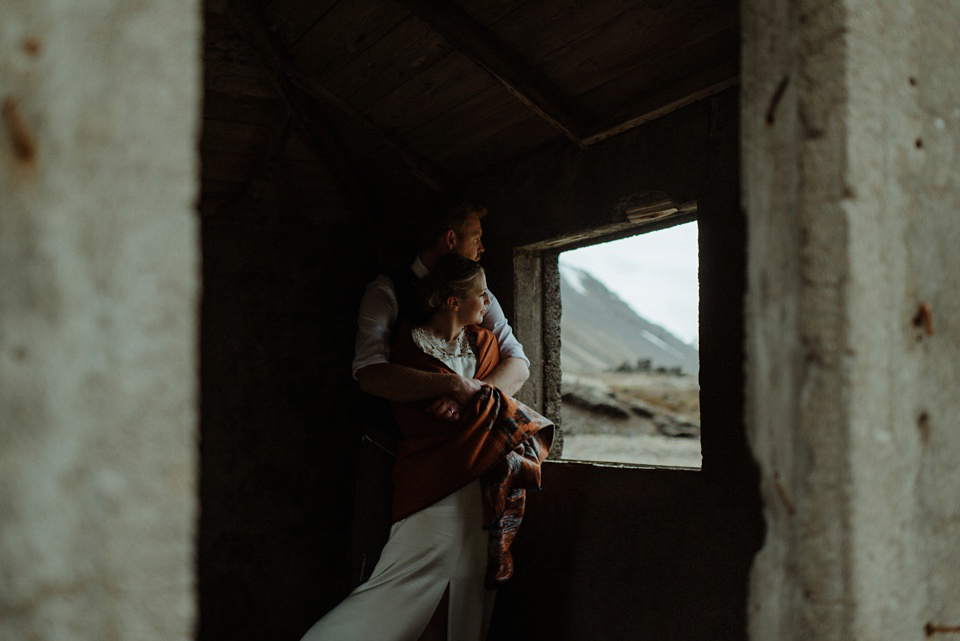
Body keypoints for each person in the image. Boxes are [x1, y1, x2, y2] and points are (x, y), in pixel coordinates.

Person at [300, 256, 554, 641]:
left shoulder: (485, 345)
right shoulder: (408, 348)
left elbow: (505, 393)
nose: (488, 302)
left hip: (480, 491)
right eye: (480, 295)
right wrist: (458, 392)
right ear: (453, 302)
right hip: (431, 486)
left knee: (465, 596)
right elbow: (413, 411)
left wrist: (470, 399)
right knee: (394, 588)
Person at [352, 201, 530, 421]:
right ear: (450, 239)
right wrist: (454, 385)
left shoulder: (481, 296)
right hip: (398, 440)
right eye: (476, 239)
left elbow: (518, 364)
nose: (482, 248)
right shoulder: (386, 290)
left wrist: (470, 397)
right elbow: (370, 373)